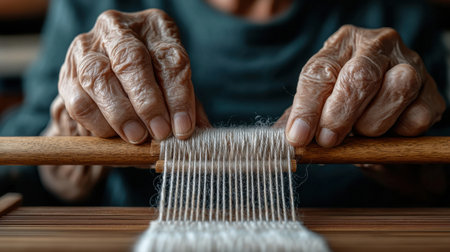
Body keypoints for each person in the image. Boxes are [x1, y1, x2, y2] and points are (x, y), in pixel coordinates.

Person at [1, 0, 449, 206]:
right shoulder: (92, 8)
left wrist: (425, 172)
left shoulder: (398, 18)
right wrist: (62, 157)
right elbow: (20, 163)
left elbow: (437, 167)